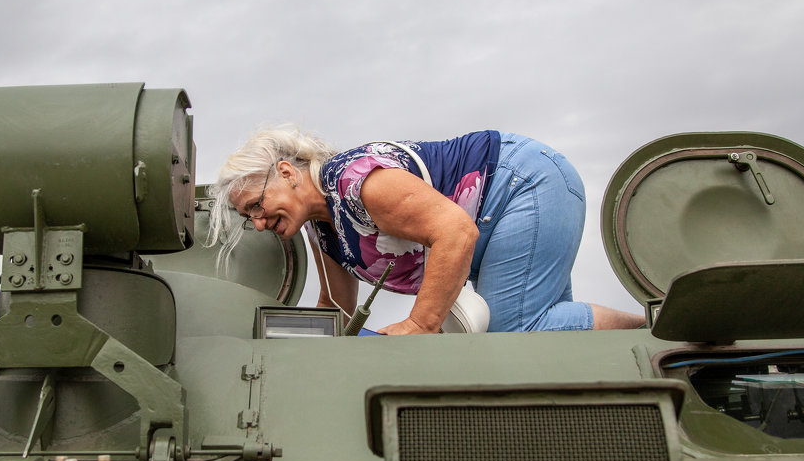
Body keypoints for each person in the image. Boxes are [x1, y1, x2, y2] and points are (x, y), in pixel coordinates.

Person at [207, 126, 645, 334]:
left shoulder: (355, 183)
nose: (259, 223)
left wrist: (420, 323)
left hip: (522, 183)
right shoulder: (324, 229)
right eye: (250, 219)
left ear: (285, 172)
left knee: (516, 333)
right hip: (504, 216)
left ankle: (656, 332)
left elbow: (455, 232)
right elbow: (336, 311)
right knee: (546, 341)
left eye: (256, 206)